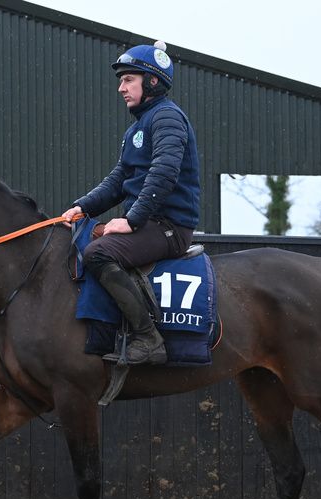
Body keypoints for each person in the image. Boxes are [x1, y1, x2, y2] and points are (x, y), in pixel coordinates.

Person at [61, 41, 201, 365]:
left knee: (99, 252)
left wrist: (132, 219)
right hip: (150, 223)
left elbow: (164, 171)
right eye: (121, 80)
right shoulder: (138, 127)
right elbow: (119, 179)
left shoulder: (166, 117)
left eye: (128, 79)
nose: (121, 87)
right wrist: (83, 207)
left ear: (152, 82)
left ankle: (148, 337)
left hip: (170, 228)